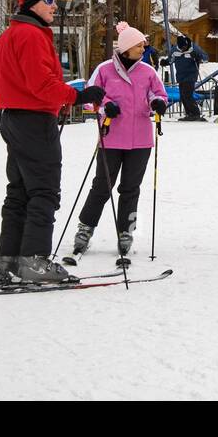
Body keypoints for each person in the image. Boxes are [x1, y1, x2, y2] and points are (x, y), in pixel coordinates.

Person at [0, 0, 106, 284]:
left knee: (19, 192)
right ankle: (34, 261)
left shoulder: (10, 35)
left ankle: (10, 261)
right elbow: (41, 82)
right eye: (50, 1)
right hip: (33, 119)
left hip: (14, 118)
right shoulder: (30, 35)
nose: (56, 6)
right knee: (43, 191)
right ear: (32, 4)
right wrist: (78, 95)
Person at [70, 22, 168, 260]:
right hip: (111, 139)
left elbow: (160, 94)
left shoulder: (148, 71)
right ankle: (85, 228)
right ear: (125, 48)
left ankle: (127, 231)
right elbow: (87, 99)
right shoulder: (104, 70)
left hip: (141, 141)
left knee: (131, 189)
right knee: (102, 187)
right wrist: (105, 107)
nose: (143, 48)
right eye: (138, 45)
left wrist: (158, 103)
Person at [170, 34, 208, 122]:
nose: (183, 49)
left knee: (187, 94)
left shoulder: (194, 48)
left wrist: (198, 57)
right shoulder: (175, 49)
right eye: (181, 48)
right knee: (183, 96)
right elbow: (171, 59)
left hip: (191, 74)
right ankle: (189, 113)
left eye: (185, 47)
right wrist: (166, 62)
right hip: (180, 75)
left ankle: (195, 113)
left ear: (187, 44)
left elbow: (205, 58)